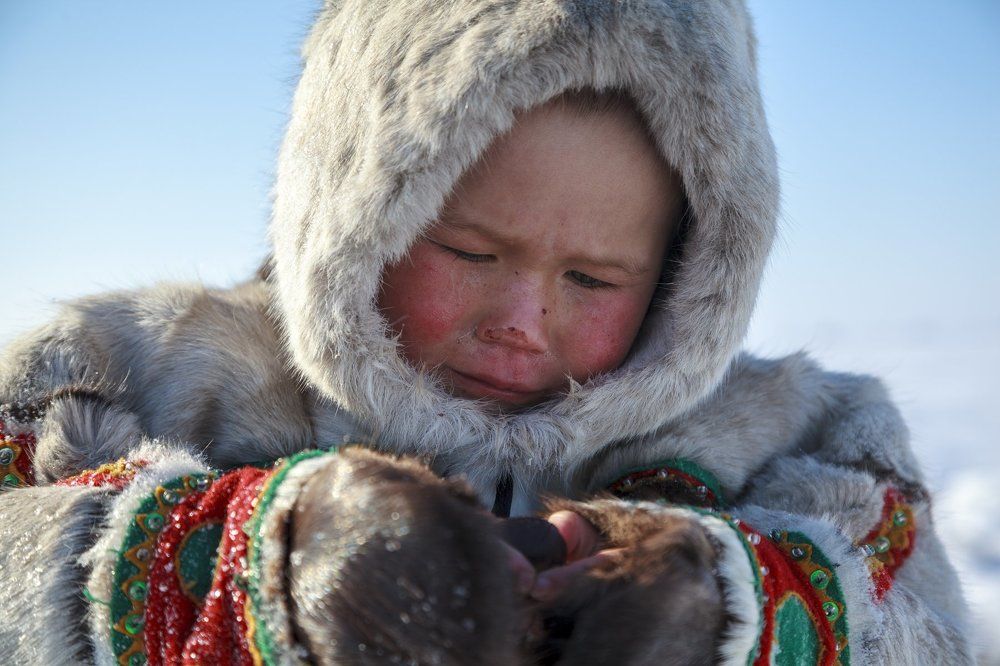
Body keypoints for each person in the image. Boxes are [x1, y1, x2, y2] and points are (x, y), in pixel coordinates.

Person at [0, 0, 972, 663]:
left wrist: (725, 610)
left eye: (592, 278)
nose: (519, 322)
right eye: (468, 251)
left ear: (686, 277)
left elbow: (920, 628)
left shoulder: (799, 436)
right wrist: (260, 569)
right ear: (351, 222)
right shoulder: (131, 370)